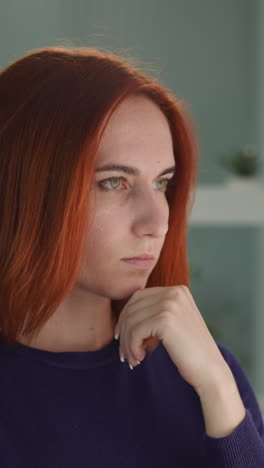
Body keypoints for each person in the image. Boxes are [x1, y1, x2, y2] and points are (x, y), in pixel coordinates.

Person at [0, 45, 263, 468]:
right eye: (114, 182)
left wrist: (218, 388)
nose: (157, 220)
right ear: (26, 190)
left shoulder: (209, 375)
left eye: (162, 183)